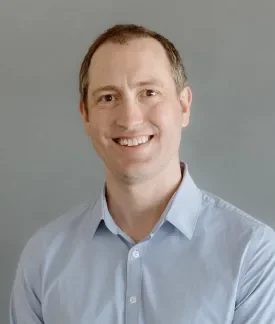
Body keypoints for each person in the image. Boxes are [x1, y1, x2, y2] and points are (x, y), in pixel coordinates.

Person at [10, 24, 275, 324]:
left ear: (184, 105)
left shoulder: (252, 254)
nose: (130, 118)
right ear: (85, 115)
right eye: (108, 98)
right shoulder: (43, 259)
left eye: (149, 92)